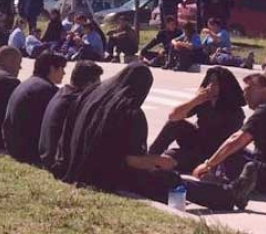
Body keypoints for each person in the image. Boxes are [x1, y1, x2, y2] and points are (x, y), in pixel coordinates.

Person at [56, 64, 178, 203]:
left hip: (75, 167)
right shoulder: (130, 111)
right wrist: (160, 161)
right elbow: (133, 160)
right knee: (169, 180)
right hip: (103, 177)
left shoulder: (91, 97)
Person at [189, 73, 266, 210]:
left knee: (230, 155)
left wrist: (208, 165)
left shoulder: (264, 112)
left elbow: (235, 140)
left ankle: (228, 186)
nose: (245, 94)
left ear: (265, 91)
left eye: (249, 89)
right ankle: (225, 178)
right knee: (230, 152)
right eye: (244, 90)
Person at [149, 67, 245, 174]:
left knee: (169, 158)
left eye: (215, 83)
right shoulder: (203, 102)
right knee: (175, 124)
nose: (210, 86)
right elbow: (173, 116)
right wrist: (195, 101)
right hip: (197, 143)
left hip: (212, 154)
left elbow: (228, 144)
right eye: (209, 82)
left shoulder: (234, 111)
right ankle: (149, 157)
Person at [39, 60, 104, 175]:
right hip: (59, 165)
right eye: (97, 85)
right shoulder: (77, 102)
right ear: (89, 84)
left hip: (47, 157)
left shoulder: (63, 93)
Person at [3, 51, 67, 165]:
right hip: (27, 152)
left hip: (13, 145)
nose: (64, 73)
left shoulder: (30, 83)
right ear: (52, 69)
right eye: (62, 69)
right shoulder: (46, 90)